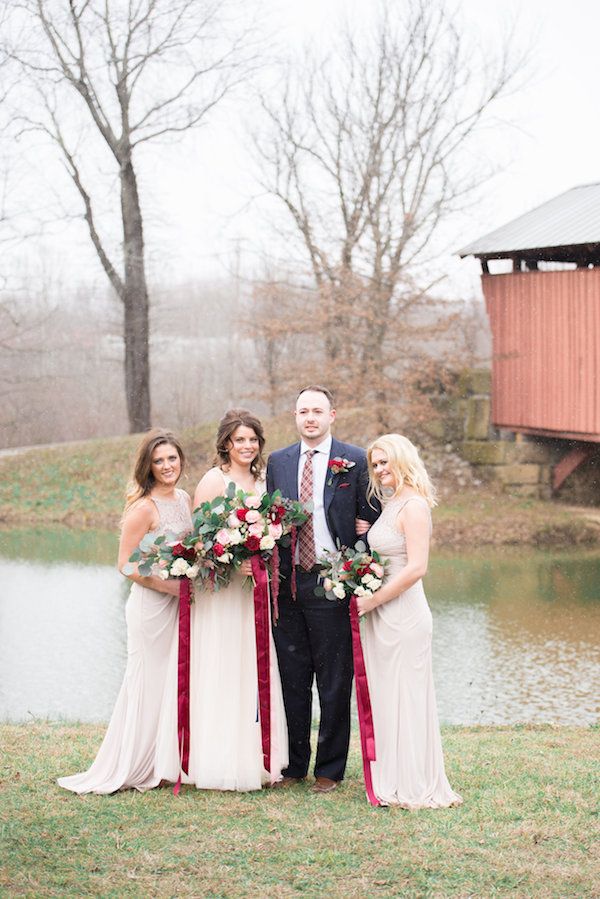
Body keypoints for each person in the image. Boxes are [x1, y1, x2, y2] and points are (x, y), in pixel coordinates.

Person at [154, 409, 288, 790]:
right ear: (226, 443)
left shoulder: (264, 480)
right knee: (221, 664)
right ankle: (214, 759)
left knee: (251, 664)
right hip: (222, 590)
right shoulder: (214, 480)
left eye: (252, 439)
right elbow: (200, 542)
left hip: (252, 593)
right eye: (239, 439)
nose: (247, 446)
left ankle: (255, 757)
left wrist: (260, 553)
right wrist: (234, 560)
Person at [58, 429, 192, 794]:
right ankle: (130, 765)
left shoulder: (183, 498)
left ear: (181, 459)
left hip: (179, 607)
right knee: (145, 682)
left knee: (170, 684)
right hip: (151, 607)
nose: (167, 466)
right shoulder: (143, 508)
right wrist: (170, 587)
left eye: (172, 458)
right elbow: (126, 565)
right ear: (147, 467)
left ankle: (162, 762)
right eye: (159, 461)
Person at [266, 386, 379, 793]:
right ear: (295, 417)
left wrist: (365, 534)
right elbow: (269, 517)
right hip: (289, 583)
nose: (309, 418)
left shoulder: (356, 459)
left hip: (334, 582)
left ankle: (329, 770)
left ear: (333, 414)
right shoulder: (277, 462)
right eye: (303, 411)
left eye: (317, 411)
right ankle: (295, 765)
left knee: (333, 680)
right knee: (293, 678)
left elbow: (373, 512)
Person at [356, 433, 462, 808]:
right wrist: (368, 536)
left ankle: (415, 781)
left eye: (385, 462)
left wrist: (373, 600)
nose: (380, 469)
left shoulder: (414, 505)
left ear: (403, 460)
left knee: (408, 696)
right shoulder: (391, 503)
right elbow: (391, 549)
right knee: (388, 695)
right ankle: (394, 773)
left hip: (404, 615)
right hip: (383, 614)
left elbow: (417, 567)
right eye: (376, 464)